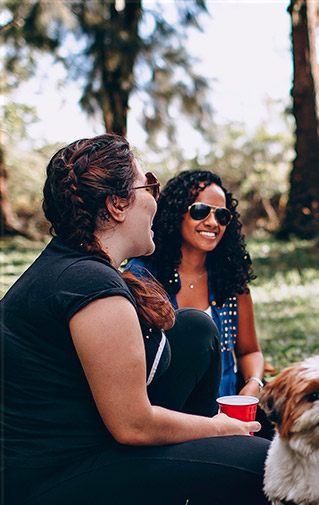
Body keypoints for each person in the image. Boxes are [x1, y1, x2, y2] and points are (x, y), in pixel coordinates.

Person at [0, 134, 270, 505]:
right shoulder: (88, 284)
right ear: (116, 205)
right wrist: (220, 430)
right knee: (265, 463)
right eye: (150, 186)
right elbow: (133, 425)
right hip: (55, 476)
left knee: (193, 328)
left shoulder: (75, 266)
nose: (156, 200)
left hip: (89, 441)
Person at [127, 170, 265, 400]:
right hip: (167, 414)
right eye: (200, 211)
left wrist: (253, 384)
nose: (212, 222)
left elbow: (250, 351)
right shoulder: (141, 276)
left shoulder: (230, 277)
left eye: (222, 215)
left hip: (227, 411)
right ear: (175, 213)